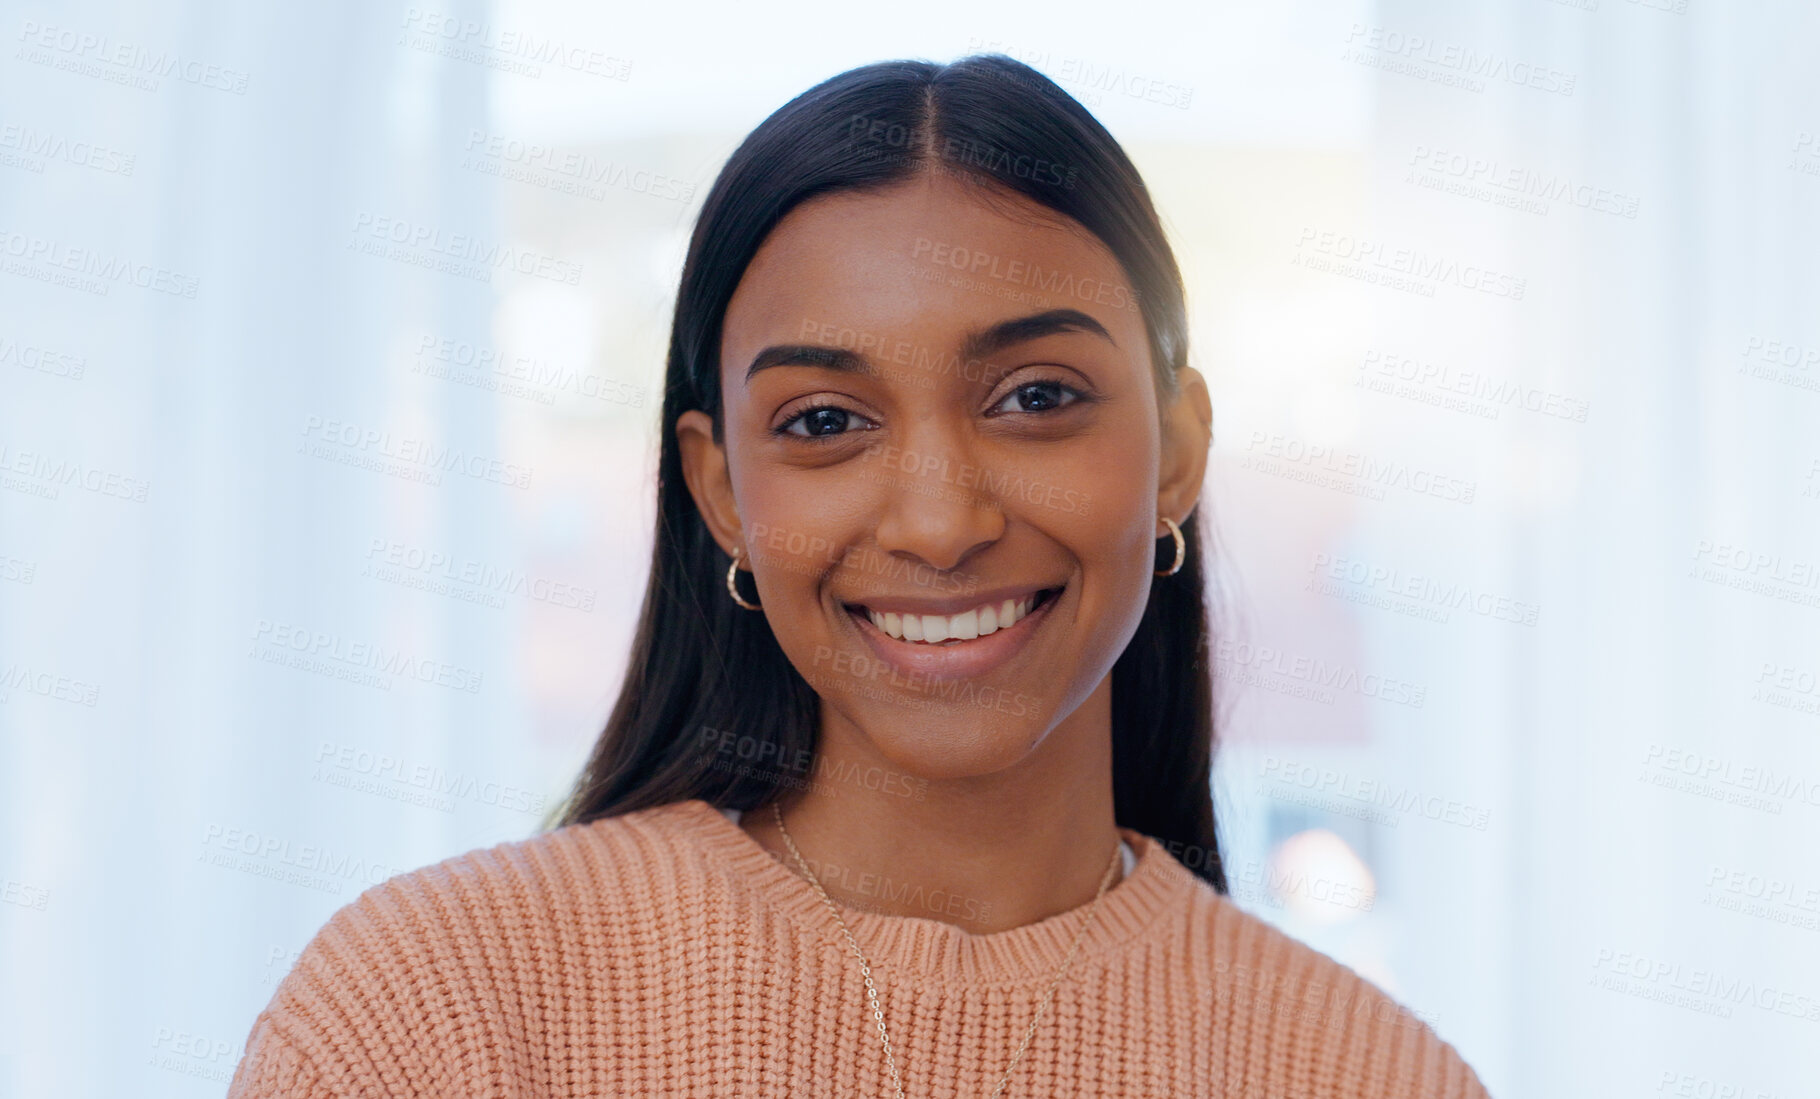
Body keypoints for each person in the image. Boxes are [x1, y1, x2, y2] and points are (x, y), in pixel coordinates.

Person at [228, 54, 1491, 1098]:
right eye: (825, 421)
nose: (939, 525)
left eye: (1035, 397)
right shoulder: (435, 1007)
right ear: (722, 492)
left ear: (1177, 452)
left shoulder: (1372, 1073)